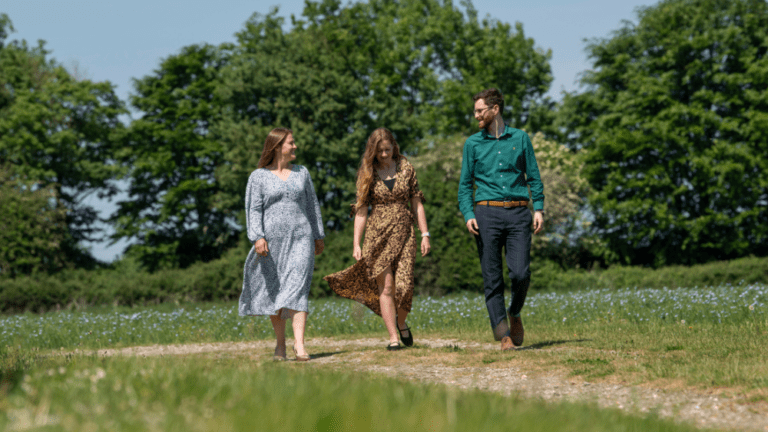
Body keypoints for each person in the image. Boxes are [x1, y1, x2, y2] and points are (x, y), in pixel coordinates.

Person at [324, 128, 430, 350]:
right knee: (387, 286)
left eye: (387, 149)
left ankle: (401, 322)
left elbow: (416, 202)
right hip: (377, 235)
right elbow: (361, 210)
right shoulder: (367, 172)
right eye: (380, 151)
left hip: (405, 233)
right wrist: (356, 243)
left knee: (405, 286)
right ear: (373, 151)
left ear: (394, 146)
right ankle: (393, 337)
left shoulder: (406, 167)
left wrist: (424, 234)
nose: (384, 154)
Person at [458, 88, 545, 351]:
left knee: (521, 273)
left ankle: (514, 311)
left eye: (479, 110)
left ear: (495, 109)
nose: (476, 116)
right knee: (492, 278)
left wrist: (538, 208)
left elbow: (534, 176)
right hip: (486, 214)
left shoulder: (520, 138)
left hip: (519, 213)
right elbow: (465, 186)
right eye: (475, 111)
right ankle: (503, 334)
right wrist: (468, 214)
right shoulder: (473, 144)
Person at [239, 128, 325, 361]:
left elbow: (312, 205)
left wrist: (318, 235)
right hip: (271, 243)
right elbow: (254, 209)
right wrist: (257, 236)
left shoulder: (302, 173)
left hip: (301, 238)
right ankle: (280, 345)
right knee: (277, 291)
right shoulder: (258, 176)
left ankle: (299, 344)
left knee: (298, 287)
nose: (295, 146)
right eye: (291, 143)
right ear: (277, 146)